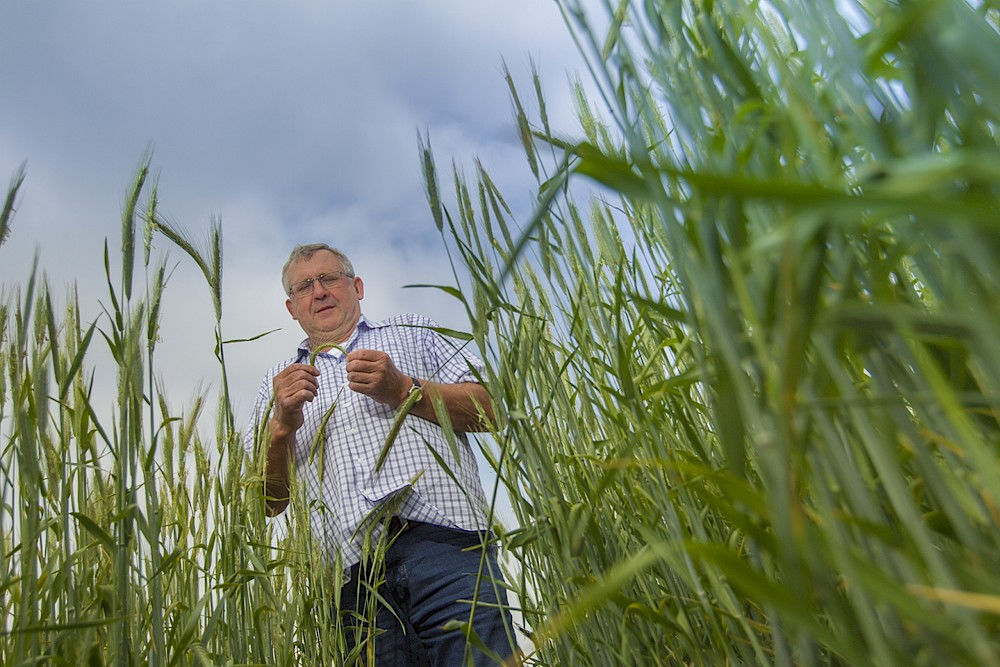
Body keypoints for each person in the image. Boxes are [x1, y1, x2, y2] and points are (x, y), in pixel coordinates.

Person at [245, 243, 515, 665]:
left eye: (330, 278)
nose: (319, 292)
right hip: (354, 586)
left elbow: (494, 408)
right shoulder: (275, 387)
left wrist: (404, 390)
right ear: (291, 307)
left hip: (446, 550)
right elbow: (266, 500)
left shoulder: (414, 331)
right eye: (304, 286)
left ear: (357, 286)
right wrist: (280, 427)